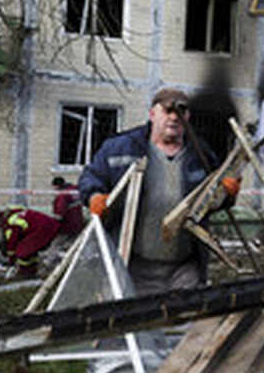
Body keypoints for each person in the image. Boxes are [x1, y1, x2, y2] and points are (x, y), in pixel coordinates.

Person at [77, 87, 237, 296]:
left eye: (181, 112)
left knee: (183, 324)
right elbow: (91, 177)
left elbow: (210, 204)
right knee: (138, 323)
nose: (174, 117)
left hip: (185, 269)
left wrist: (227, 193)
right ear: (152, 114)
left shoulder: (201, 153)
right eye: (167, 111)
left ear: (188, 117)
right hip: (133, 267)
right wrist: (94, 196)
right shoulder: (121, 147)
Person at [0, 205, 63, 278]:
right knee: (29, 248)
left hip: (43, 230)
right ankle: (33, 266)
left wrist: (11, 261)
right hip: (49, 224)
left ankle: (26, 272)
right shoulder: (13, 212)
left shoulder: (11, 225)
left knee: (22, 251)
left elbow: (11, 247)